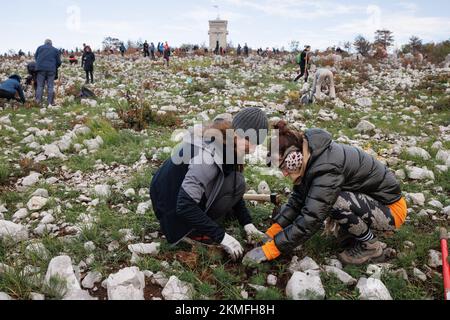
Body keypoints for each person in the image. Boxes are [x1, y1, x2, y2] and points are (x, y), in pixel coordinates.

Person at [243, 121, 407, 266]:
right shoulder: (313, 158)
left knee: (333, 202)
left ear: (295, 155)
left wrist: (273, 249)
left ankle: (371, 246)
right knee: (323, 199)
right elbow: (298, 201)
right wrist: (272, 232)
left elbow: (312, 217)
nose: (285, 173)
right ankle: (352, 235)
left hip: (392, 211)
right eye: (281, 169)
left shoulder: (326, 167)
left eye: (285, 166)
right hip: (371, 203)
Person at [150, 108, 270, 261]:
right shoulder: (208, 155)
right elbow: (184, 204)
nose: (252, 150)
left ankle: (203, 221)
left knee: (237, 181)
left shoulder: (227, 143)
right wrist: (221, 237)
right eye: (249, 141)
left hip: (179, 195)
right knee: (233, 182)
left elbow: (233, 188)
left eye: (256, 144)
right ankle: (192, 232)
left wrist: (247, 224)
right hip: (170, 209)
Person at [35, 39, 62, 106]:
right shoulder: (55, 50)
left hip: (40, 69)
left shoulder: (40, 48)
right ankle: (49, 103)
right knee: (50, 86)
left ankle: (38, 102)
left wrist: (40, 64)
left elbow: (36, 57)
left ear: (45, 43)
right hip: (51, 70)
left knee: (40, 86)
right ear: (51, 43)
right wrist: (54, 66)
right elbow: (58, 62)